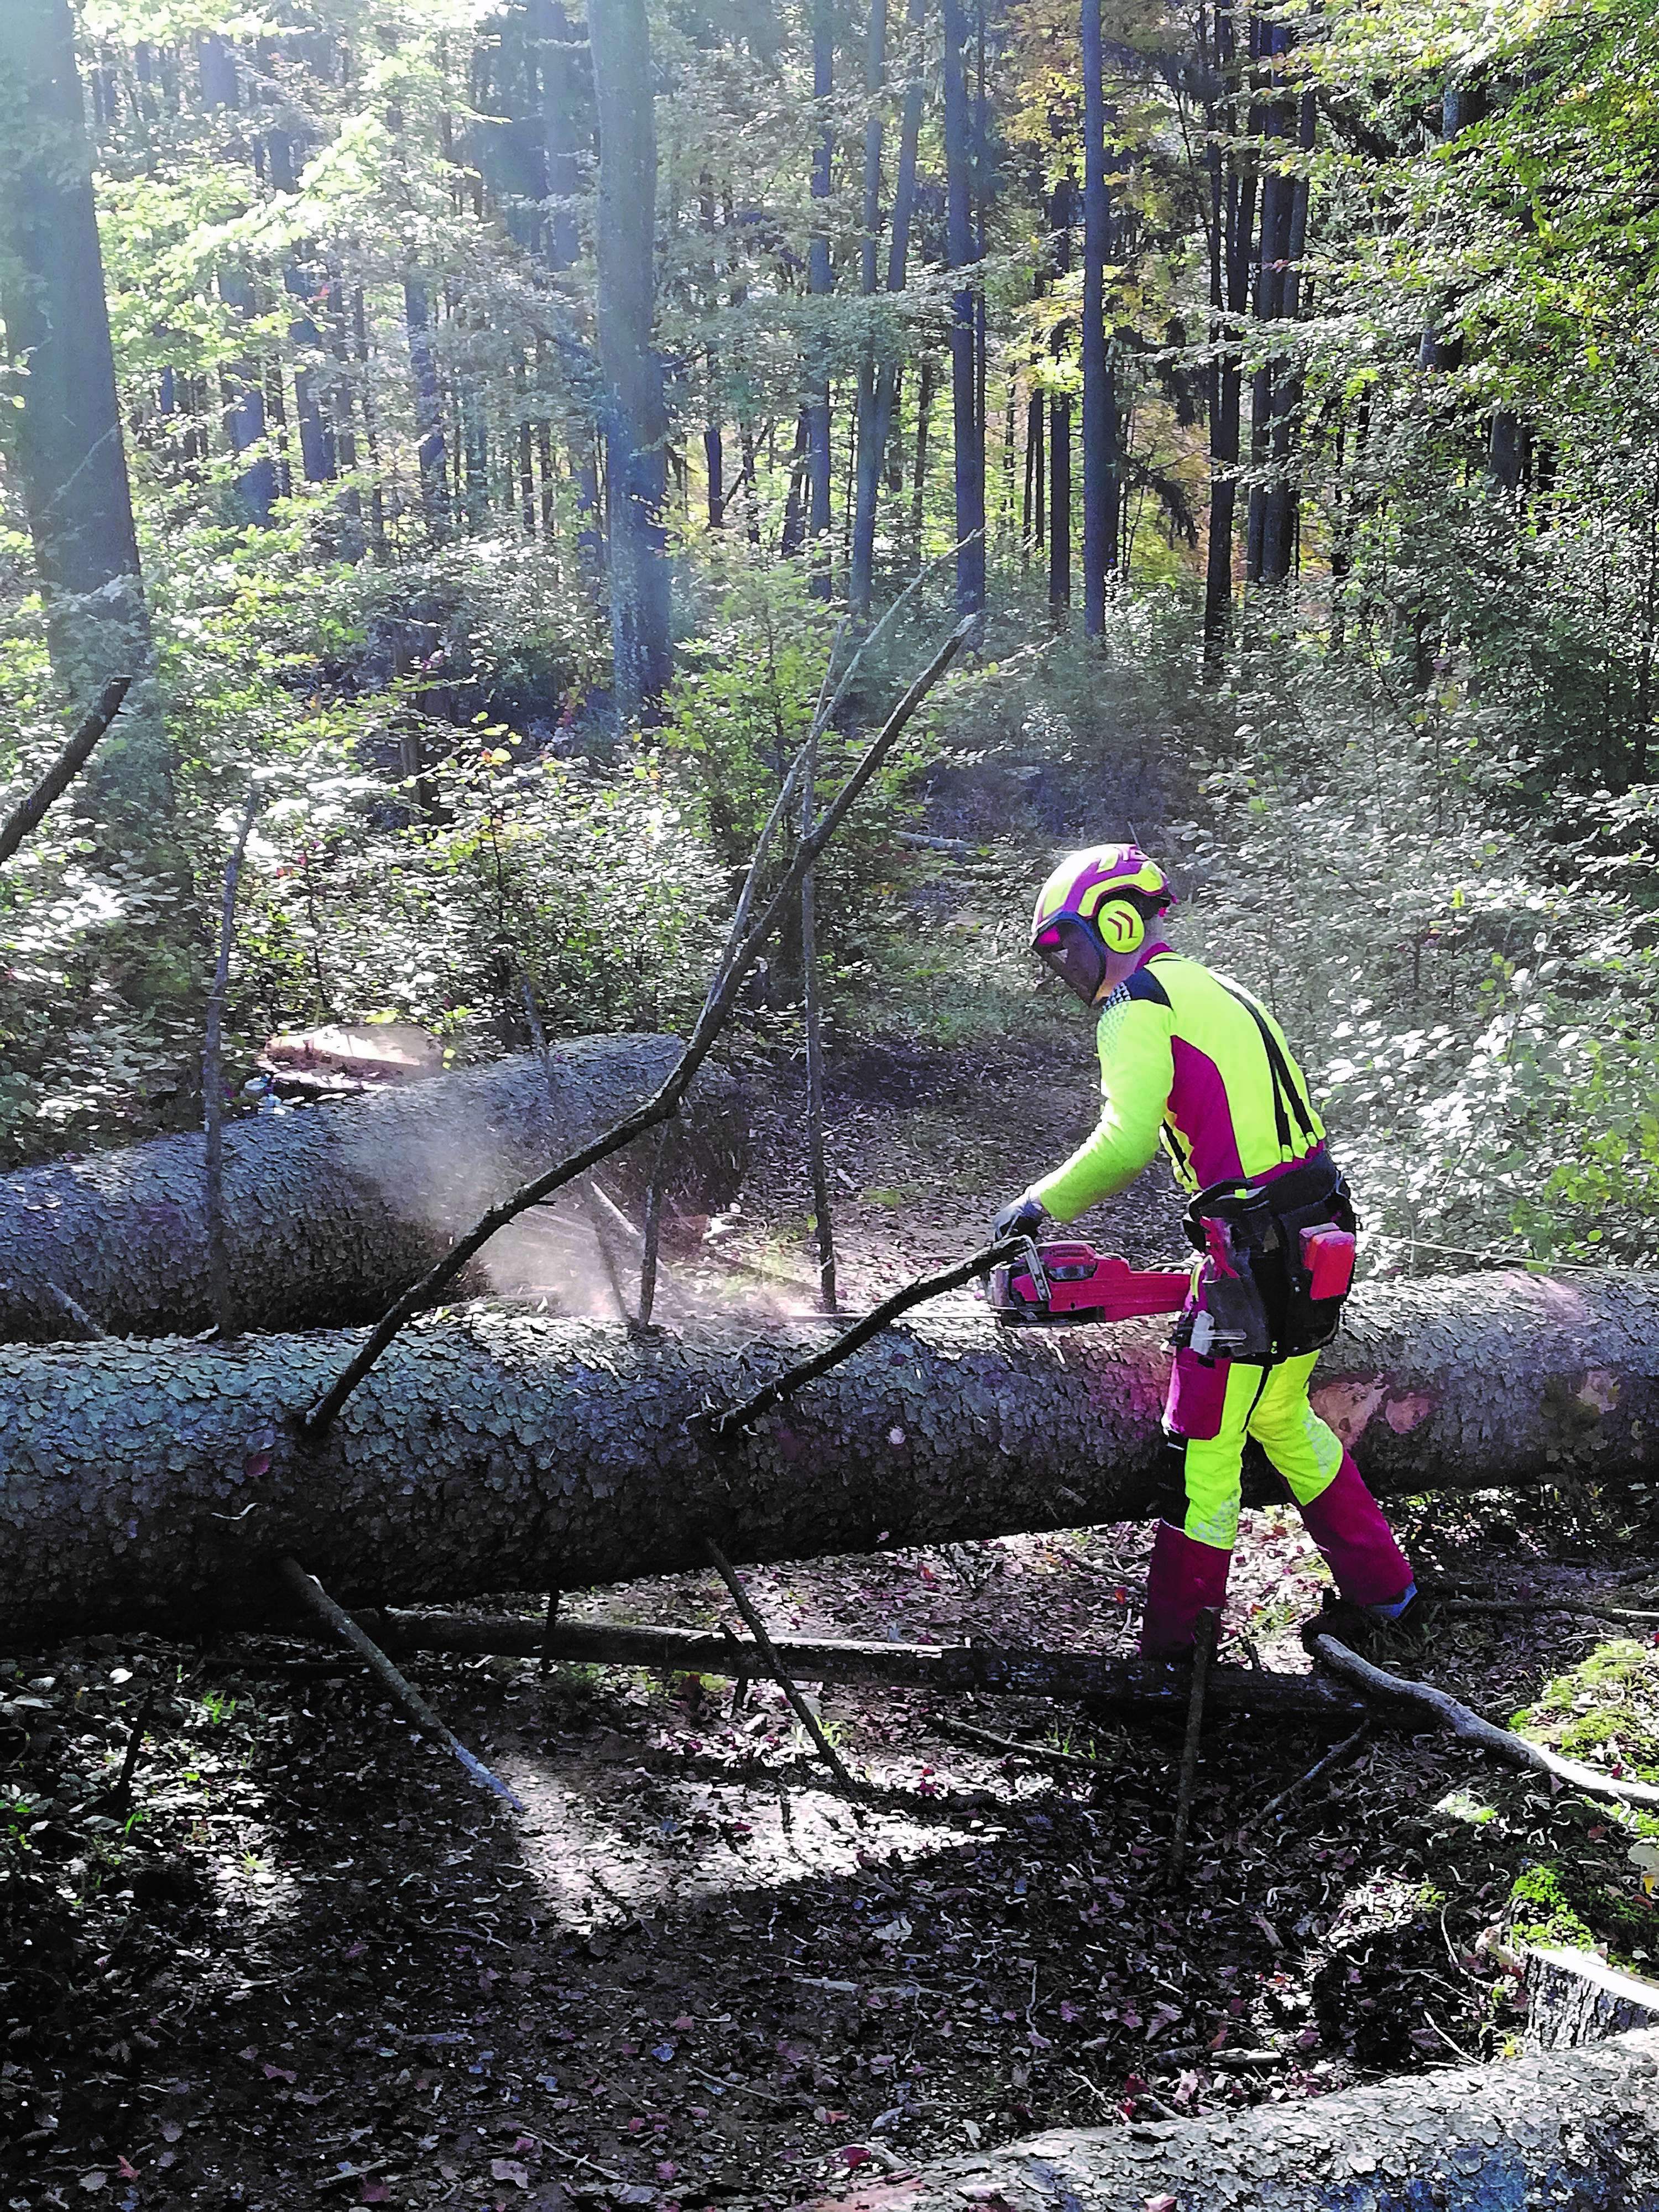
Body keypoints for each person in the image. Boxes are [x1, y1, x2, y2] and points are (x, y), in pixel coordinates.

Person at [990, 843, 1416, 1658]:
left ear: (1115, 922)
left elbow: (1125, 1143)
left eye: (1069, 945)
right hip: (1316, 1233)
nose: (1068, 968)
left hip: (1256, 1257)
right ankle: (1388, 1595)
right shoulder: (1212, 983)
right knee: (1283, 1416)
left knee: (1202, 1453)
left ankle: (1176, 1659)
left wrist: (1036, 1207)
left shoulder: (1137, 1002)